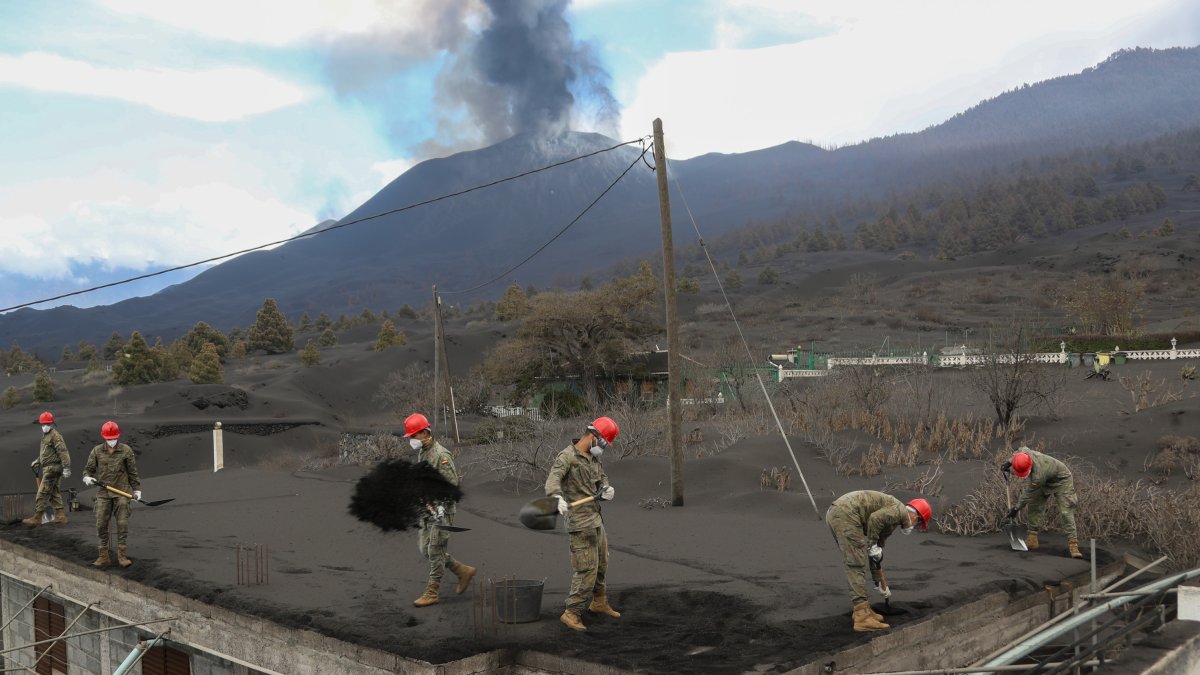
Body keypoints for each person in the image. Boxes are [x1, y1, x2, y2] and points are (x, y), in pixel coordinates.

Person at [544, 416, 621, 632]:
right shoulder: (567, 456)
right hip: (579, 522)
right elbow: (553, 479)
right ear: (593, 435)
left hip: (595, 518)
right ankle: (572, 612)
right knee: (586, 568)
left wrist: (605, 488)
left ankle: (599, 602)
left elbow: (601, 477)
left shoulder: (593, 458)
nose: (603, 447)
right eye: (603, 442)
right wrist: (556, 496)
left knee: (602, 563)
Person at [826, 490, 933, 632]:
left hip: (840, 513)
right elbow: (874, 519)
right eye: (919, 523)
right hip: (846, 514)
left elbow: (876, 552)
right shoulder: (898, 511)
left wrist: (879, 583)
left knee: (858, 560)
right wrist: (872, 544)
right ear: (915, 515)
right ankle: (862, 616)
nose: (915, 527)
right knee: (856, 564)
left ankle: (864, 609)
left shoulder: (893, 519)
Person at [405, 413, 477, 607]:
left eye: (413, 435)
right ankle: (462, 570)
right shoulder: (423, 453)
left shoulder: (441, 455)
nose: (411, 440)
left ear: (424, 432)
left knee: (435, 550)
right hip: (427, 510)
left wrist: (438, 506)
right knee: (425, 549)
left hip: (441, 512)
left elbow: (451, 485)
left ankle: (432, 592)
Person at [1003, 447, 1083, 559]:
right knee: (1034, 505)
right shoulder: (1023, 453)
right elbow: (1020, 451)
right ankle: (1032, 539)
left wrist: (1016, 509)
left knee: (1065, 512)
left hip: (1062, 481)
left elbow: (1028, 494)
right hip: (1045, 479)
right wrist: (1008, 463)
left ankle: (1073, 545)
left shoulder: (1038, 476)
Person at [82, 421, 141, 568]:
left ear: (118, 436)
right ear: (104, 437)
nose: (111, 441)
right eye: (109, 438)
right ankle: (103, 556)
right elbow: (88, 469)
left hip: (122, 492)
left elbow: (132, 472)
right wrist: (87, 477)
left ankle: (122, 556)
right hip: (103, 493)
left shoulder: (126, 450)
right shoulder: (97, 451)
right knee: (101, 524)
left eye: (113, 438)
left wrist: (136, 489)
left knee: (122, 524)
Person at [23, 411, 72, 527]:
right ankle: (61, 516)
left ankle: (37, 517)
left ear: (51, 424)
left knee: (42, 492)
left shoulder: (55, 436)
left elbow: (63, 451)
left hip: (53, 468)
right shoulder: (46, 436)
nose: (45, 426)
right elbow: (46, 453)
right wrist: (38, 461)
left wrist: (66, 467)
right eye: (43, 424)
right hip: (49, 467)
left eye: (47, 424)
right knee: (54, 492)